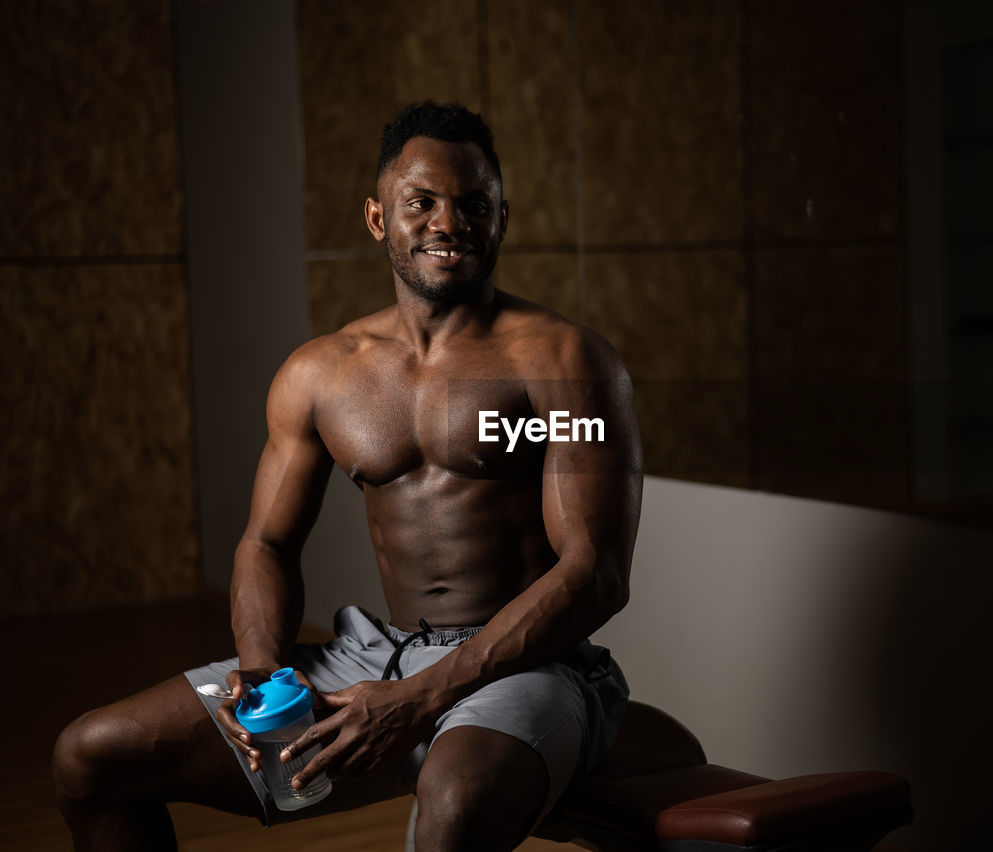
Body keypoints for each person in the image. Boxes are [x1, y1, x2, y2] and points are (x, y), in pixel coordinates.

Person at [51, 100, 642, 852]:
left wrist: (418, 699)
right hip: (374, 655)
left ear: (501, 218)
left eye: (473, 205)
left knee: (455, 809)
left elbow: (595, 573)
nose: (447, 223)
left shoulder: (564, 363)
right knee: (90, 757)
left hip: (526, 666)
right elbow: (265, 542)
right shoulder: (321, 374)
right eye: (420, 203)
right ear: (376, 220)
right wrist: (265, 672)